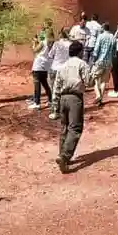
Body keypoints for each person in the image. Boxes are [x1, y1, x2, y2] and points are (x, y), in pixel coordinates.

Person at [51, 40, 91, 174]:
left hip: (63, 98)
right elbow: (88, 82)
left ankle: (61, 154)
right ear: (80, 52)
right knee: (75, 128)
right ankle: (65, 156)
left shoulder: (62, 66)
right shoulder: (82, 64)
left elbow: (56, 87)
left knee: (64, 127)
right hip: (75, 98)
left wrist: (55, 106)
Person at [90, 23, 117, 106]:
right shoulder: (113, 37)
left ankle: (98, 95)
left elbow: (96, 49)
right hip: (108, 62)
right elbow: (114, 52)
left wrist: (93, 60)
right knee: (103, 81)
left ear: (103, 28)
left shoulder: (100, 36)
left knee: (95, 79)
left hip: (99, 61)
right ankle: (100, 100)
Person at [47, 29, 72, 120]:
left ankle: (56, 111)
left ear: (60, 35)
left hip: (55, 68)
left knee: (54, 90)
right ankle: (65, 110)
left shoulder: (57, 43)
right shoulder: (70, 44)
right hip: (66, 70)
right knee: (65, 90)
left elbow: (50, 55)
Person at [28, 28, 54, 112]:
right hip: (45, 65)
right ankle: (50, 100)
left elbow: (35, 50)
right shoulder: (51, 42)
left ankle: (37, 103)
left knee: (37, 83)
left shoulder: (43, 42)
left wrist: (34, 43)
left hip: (38, 64)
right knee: (45, 83)